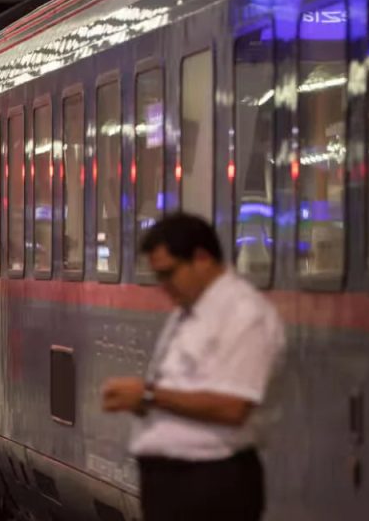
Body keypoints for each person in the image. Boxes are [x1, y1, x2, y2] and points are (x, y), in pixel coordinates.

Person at [101, 213, 285, 521]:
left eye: (168, 273)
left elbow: (234, 407)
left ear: (201, 258)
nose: (163, 286)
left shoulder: (244, 315)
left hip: (212, 484)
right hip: (176, 486)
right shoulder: (187, 314)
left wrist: (148, 396)